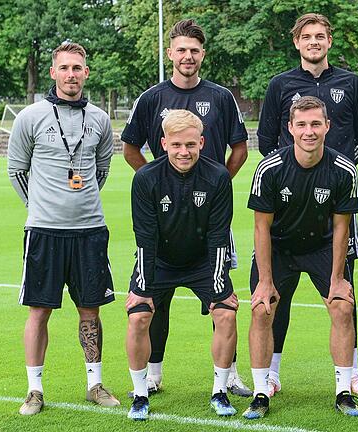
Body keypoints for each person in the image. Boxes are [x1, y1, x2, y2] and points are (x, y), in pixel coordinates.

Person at [121, 19, 251, 397]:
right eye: (181, 49)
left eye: (194, 50)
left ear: (202, 55)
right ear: (170, 54)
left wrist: (214, 185)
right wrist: (158, 184)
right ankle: (154, 374)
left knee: (220, 294)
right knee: (154, 301)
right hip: (163, 220)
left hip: (209, 217)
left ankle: (231, 374)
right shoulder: (151, 98)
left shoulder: (222, 97)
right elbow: (130, 148)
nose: (188, 56)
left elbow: (239, 148)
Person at [256, 12, 358, 397]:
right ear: (297, 42)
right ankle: (271, 373)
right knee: (279, 294)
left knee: (344, 289)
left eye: (320, 36)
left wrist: (337, 172)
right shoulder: (280, 85)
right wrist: (297, 174)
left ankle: (351, 372)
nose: (313, 42)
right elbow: (266, 139)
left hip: (335, 198)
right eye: (306, 36)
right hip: (290, 202)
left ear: (329, 40)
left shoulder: (350, 83)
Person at [7, 42, 119, 416]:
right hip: (44, 231)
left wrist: (78, 202)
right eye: (65, 68)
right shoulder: (30, 117)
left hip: (90, 230)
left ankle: (94, 383)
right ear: (53, 72)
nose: (71, 74)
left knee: (91, 311)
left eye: (78, 68)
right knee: (39, 311)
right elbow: (17, 170)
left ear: (87, 73)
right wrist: (42, 205)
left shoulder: (101, 119)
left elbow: (101, 171)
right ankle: (34, 389)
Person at [243, 96, 358, 419]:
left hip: (321, 247)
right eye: (301, 125)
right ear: (290, 128)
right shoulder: (270, 168)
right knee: (262, 310)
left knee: (342, 307)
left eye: (315, 124)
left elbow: (342, 229)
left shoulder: (344, 169)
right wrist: (265, 282)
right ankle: (260, 392)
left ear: (327, 126)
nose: (308, 131)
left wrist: (338, 279)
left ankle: (343, 391)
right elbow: (261, 228)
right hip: (279, 246)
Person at [124, 109, 240, 420]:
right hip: (159, 259)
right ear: (163, 143)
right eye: (176, 145)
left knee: (226, 314)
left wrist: (219, 287)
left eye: (190, 144)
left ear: (201, 142)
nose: (183, 152)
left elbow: (218, 236)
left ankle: (220, 391)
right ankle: (139, 395)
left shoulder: (217, 177)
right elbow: (144, 237)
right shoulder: (146, 178)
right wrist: (144, 289)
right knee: (138, 317)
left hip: (203, 260)